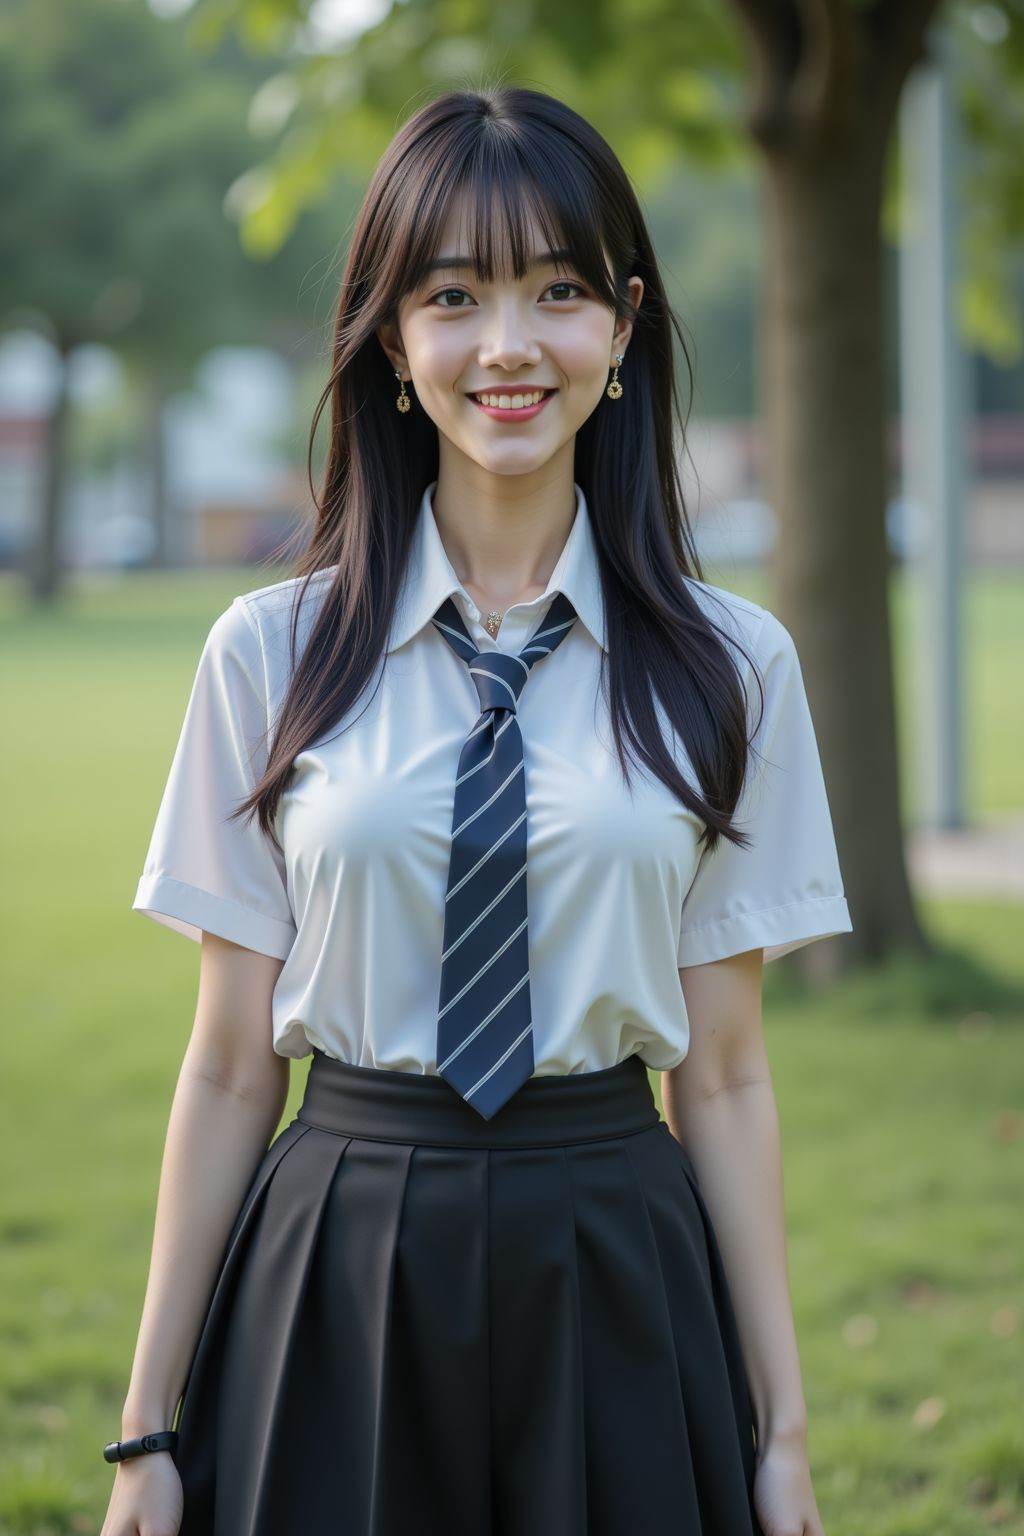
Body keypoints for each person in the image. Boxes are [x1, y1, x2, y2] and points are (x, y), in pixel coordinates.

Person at [101, 85, 852, 1536]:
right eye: (456, 295)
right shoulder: (271, 652)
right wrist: (147, 1434)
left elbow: (731, 1077)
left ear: (623, 328)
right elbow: (226, 1067)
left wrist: (786, 1433)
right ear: (394, 339)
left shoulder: (732, 663)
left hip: (622, 1255)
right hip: (336, 1257)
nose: (509, 344)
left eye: (558, 290)